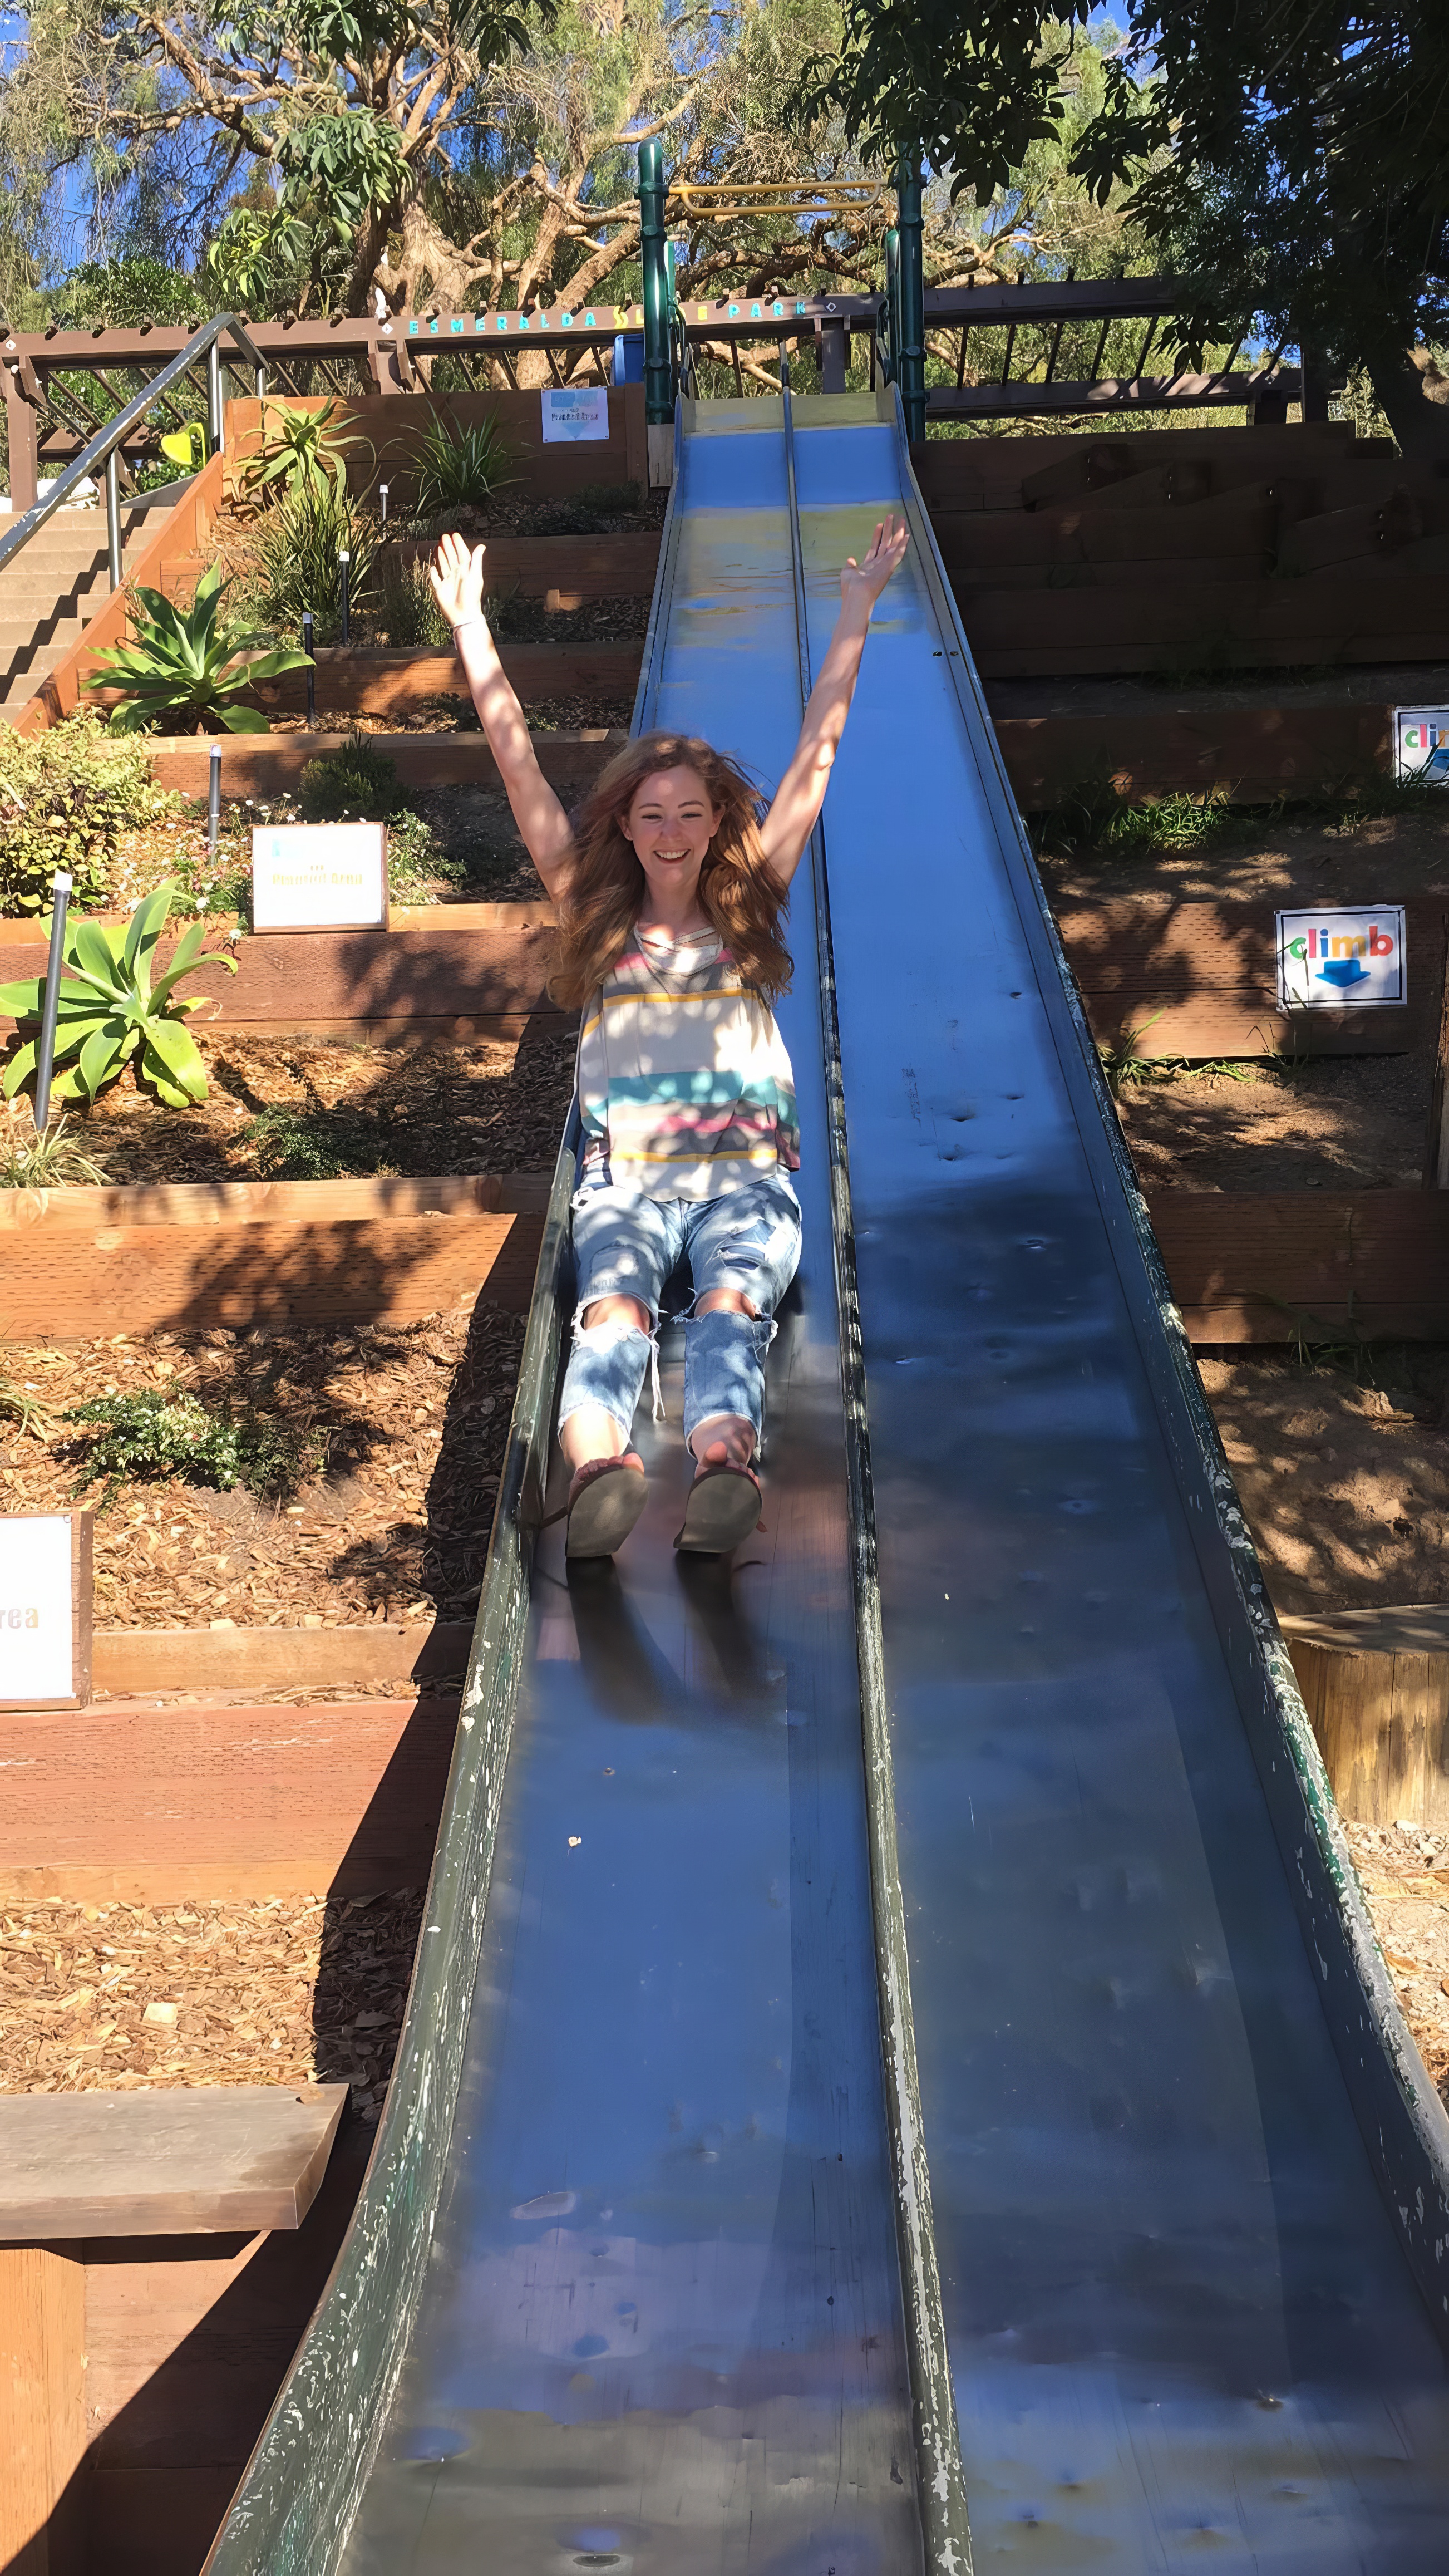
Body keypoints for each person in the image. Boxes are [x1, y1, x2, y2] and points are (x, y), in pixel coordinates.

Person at [428, 513, 909, 1558]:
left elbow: (816, 764)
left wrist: (855, 614)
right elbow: (520, 775)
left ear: (717, 822)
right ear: (626, 828)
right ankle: (601, 1467)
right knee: (614, 1310)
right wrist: (473, 628)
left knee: (732, 1307)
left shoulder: (749, 905)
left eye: (691, 814)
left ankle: (724, 1464)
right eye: (652, 815)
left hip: (745, 1180)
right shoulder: (594, 918)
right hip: (632, 1182)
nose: (673, 833)